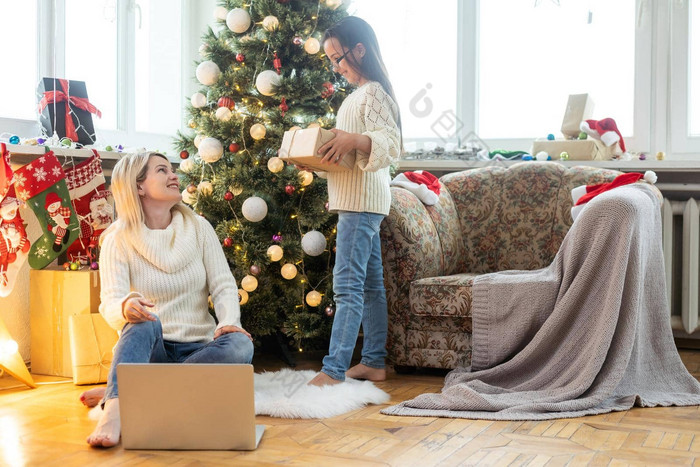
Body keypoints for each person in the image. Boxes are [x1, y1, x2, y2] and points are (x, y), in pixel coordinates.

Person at [87, 152, 254, 448]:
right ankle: (113, 411)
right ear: (138, 186)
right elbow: (110, 303)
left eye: (173, 169)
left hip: (201, 350)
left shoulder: (199, 228)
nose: (174, 175)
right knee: (142, 324)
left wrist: (229, 322)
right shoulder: (118, 238)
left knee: (241, 344)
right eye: (162, 170)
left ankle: (136, 388)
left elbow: (224, 285)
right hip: (154, 349)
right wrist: (125, 308)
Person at [305, 16, 401, 386]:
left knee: (347, 286)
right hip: (360, 200)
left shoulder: (373, 92)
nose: (336, 66)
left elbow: (388, 144)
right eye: (331, 60)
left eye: (339, 57)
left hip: (361, 205)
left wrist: (353, 140)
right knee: (372, 286)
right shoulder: (356, 96)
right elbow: (351, 156)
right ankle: (374, 361)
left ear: (359, 49)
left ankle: (333, 370)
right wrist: (317, 159)